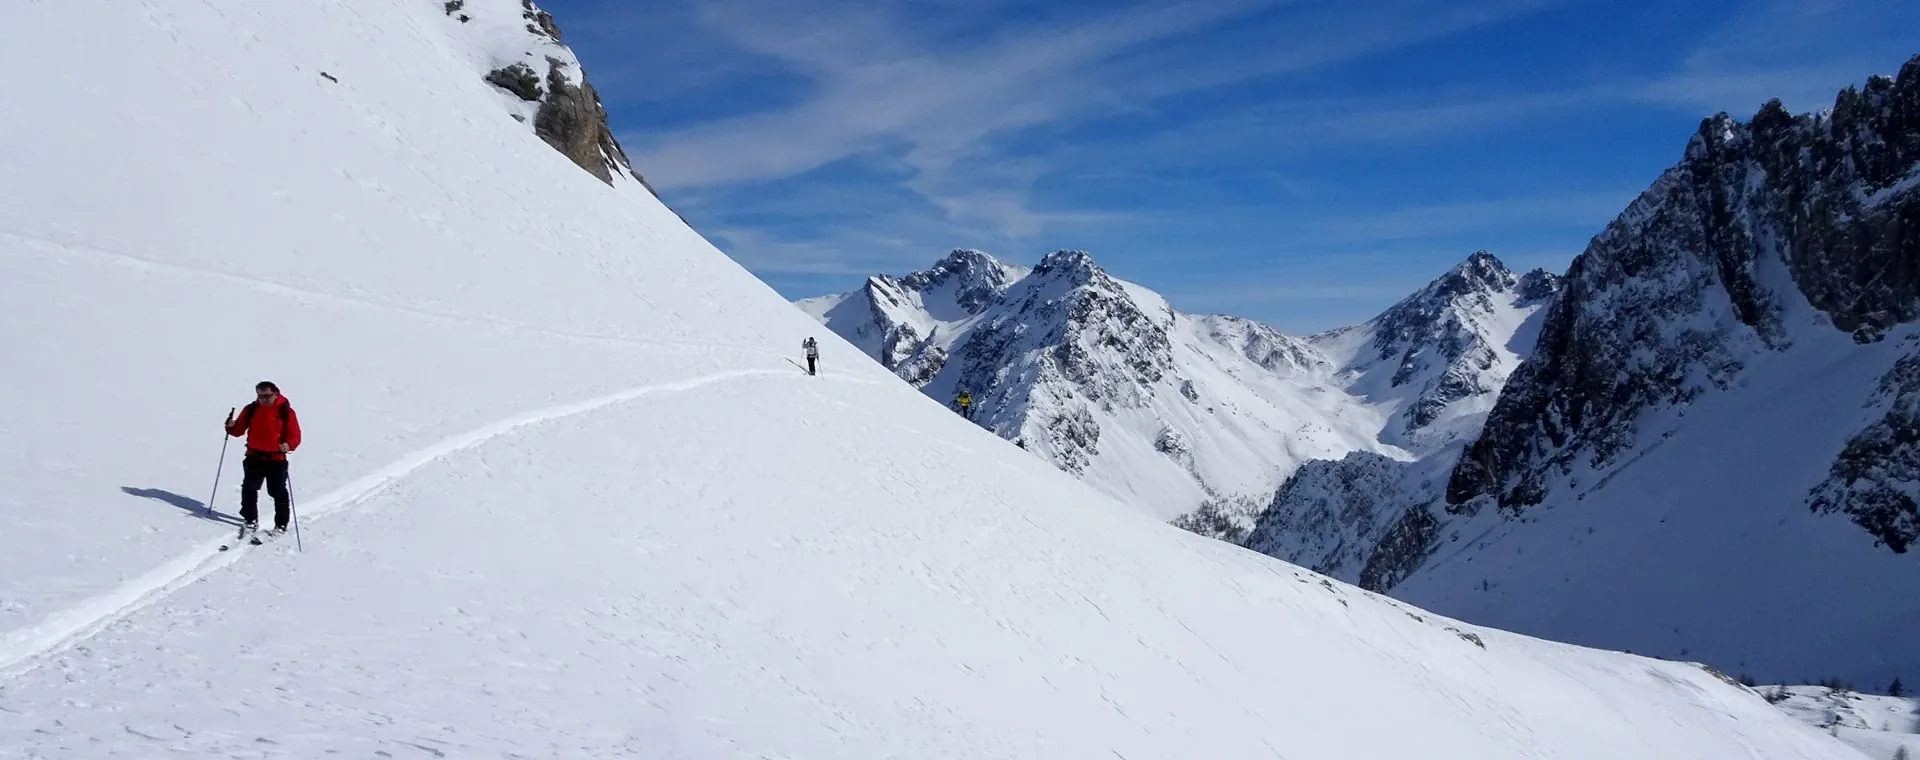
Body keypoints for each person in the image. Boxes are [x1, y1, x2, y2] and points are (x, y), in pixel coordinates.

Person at [225, 380, 302, 535]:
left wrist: (288, 445)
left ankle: (281, 524)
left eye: (267, 396)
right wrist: (231, 426)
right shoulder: (251, 409)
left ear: (275, 393)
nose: (263, 399)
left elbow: (295, 435)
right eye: (260, 396)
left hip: (276, 459)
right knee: (249, 488)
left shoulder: (286, 411)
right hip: (254, 456)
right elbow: (238, 430)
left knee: (277, 491)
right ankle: (250, 520)